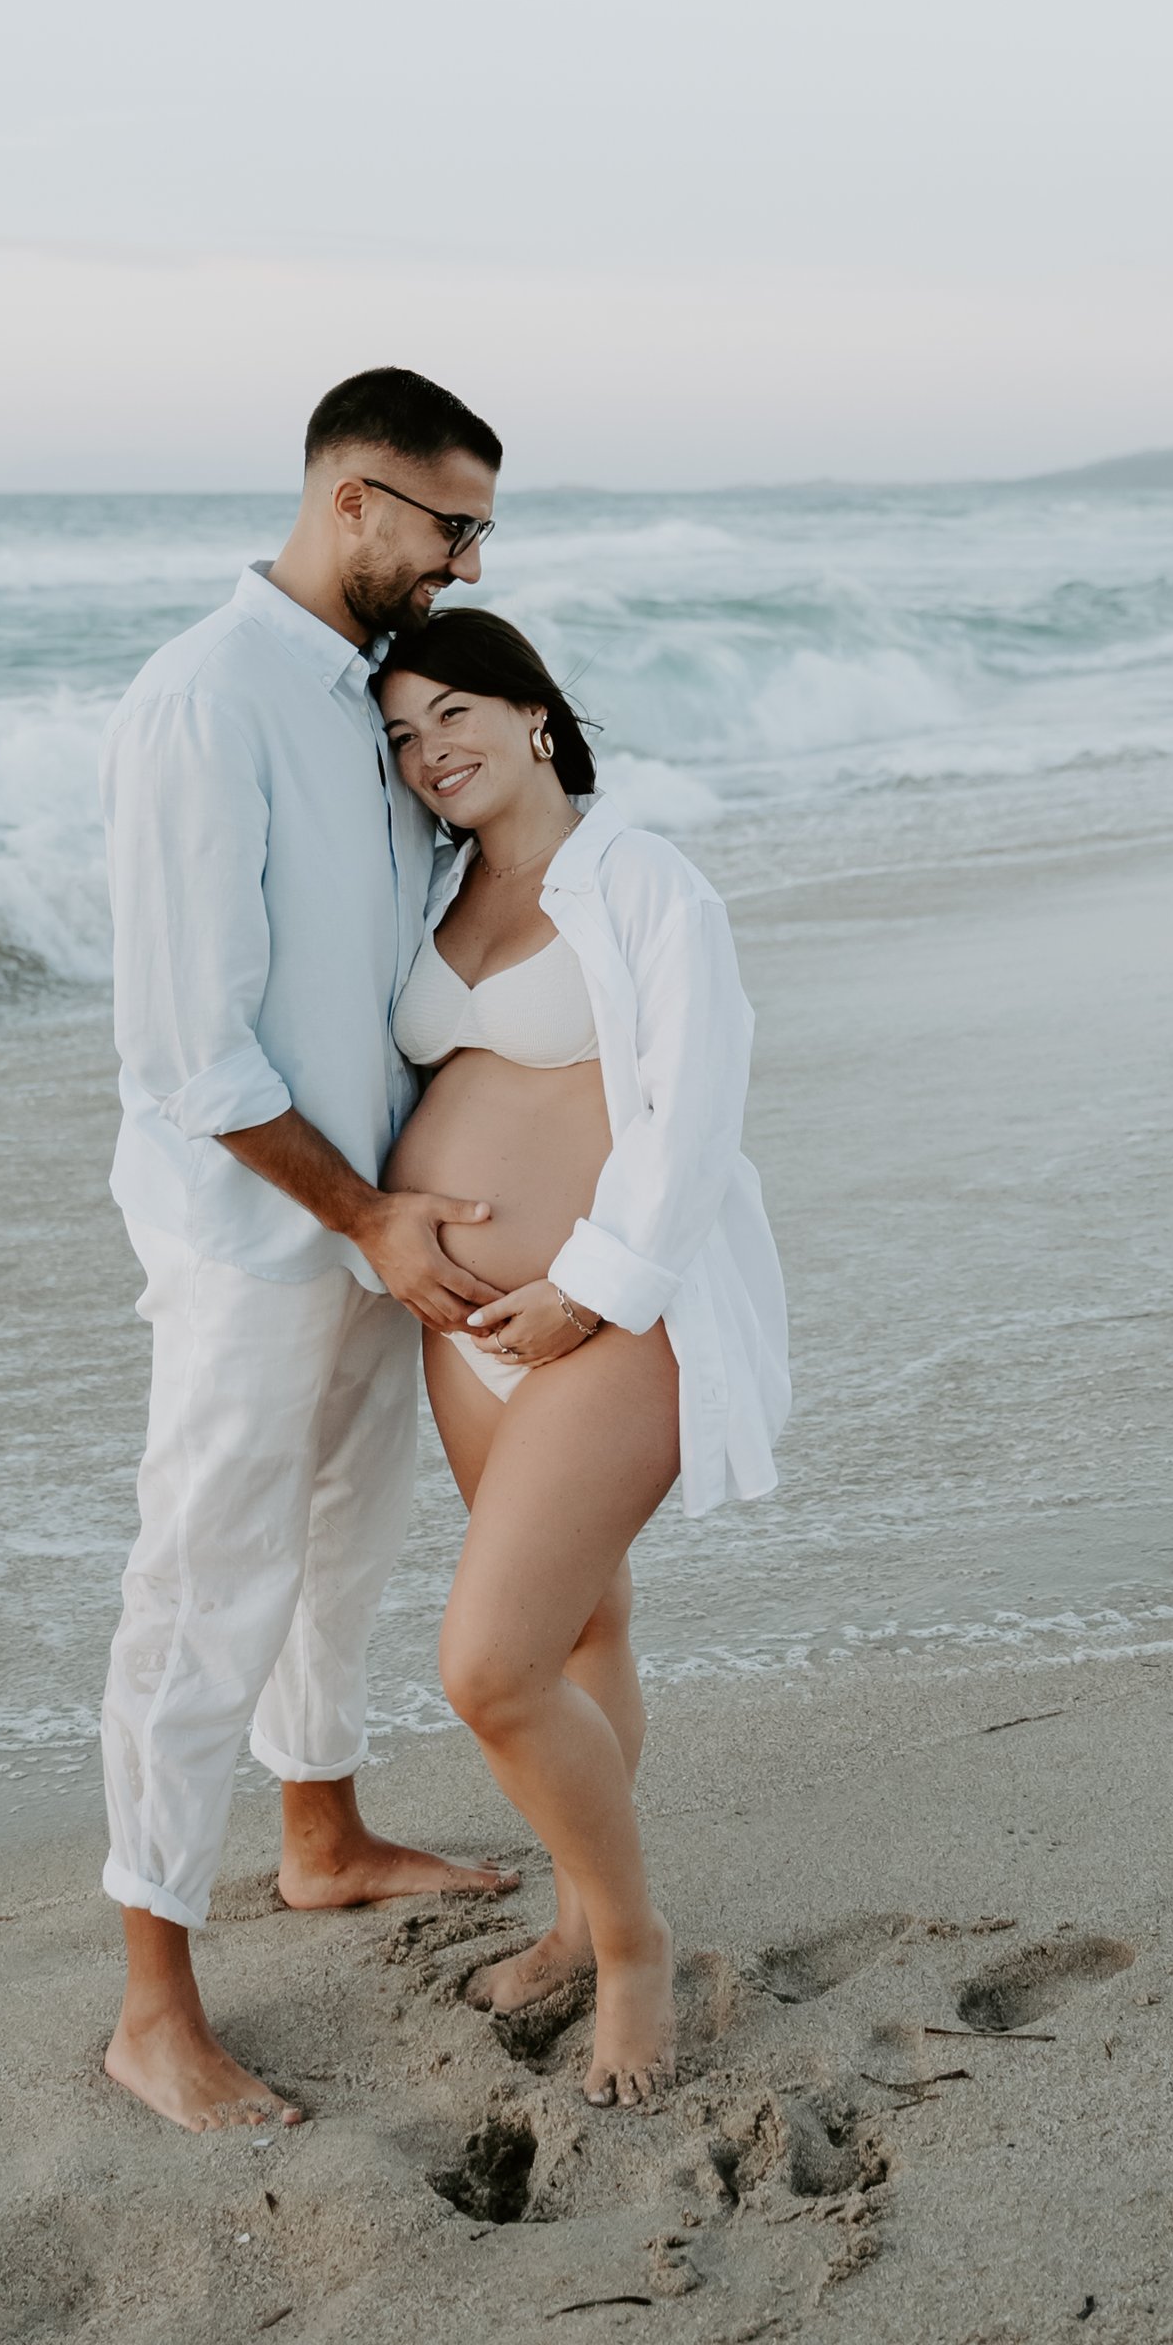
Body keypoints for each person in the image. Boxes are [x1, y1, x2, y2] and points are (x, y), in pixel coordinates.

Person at [97, 367, 524, 2133]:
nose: (465, 563)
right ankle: (152, 2004)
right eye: (449, 526)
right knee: (205, 1585)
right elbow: (189, 1055)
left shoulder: (373, 699)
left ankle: (321, 1835)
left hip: (372, 1217)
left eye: (481, 532)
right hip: (260, 1232)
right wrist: (357, 1214)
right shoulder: (206, 699)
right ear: (353, 497)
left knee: (346, 1545)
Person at [375, 609, 788, 2107]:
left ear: (536, 711)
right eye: (404, 735)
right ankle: (569, 1915)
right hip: (469, 1336)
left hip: (612, 1319)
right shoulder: (435, 891)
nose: (432, 750)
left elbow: (692, 1112)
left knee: (489, 1669)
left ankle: (630, 1946)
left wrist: (588, 1290)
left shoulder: (642, 878)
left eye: (457, 711)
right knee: (577, 1633)